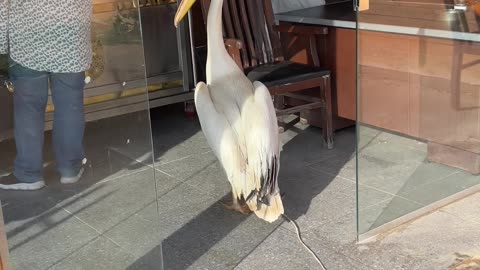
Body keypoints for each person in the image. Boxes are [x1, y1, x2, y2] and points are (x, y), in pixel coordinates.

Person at [0, 0, 92, 190]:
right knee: (70, 106)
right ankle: (70, 168)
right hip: (70, 36)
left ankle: (28, 174)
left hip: (28, 39)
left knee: (28, 108)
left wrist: (1, 44)